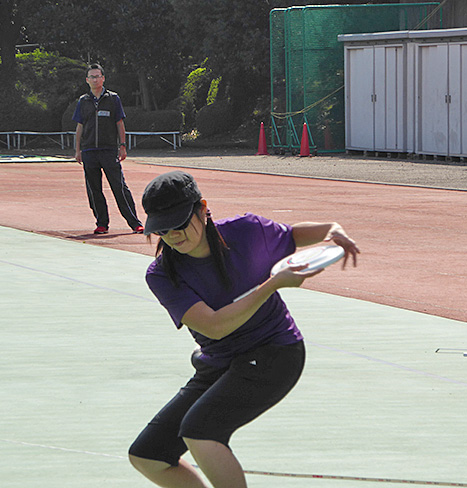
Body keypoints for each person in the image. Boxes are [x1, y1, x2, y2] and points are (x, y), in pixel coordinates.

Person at [128, 170, 360, 488]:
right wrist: (273, 284)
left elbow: (292, 236)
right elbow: (215, 326)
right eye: (162, 230)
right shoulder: (161, 275)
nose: (173, 236)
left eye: (179, 223)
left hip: (275, 353)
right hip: (220, 362)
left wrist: (332, 229)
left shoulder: (246, 232)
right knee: (148, 456)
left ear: (202, 209)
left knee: (200, 431)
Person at [73, 63, 144, 235]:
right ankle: (102, 223)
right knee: (94, 190)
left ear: (103, 78)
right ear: (87, 80)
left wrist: (122, 146)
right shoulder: (83, 101)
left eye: (98, 76)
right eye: (92, 76)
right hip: (89, 151)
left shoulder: (113, 99)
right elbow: (79, 127)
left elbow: (120, 123)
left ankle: (134, 223)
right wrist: (77, 150)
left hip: (109, 150)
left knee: (119, 187)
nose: (95, 79)